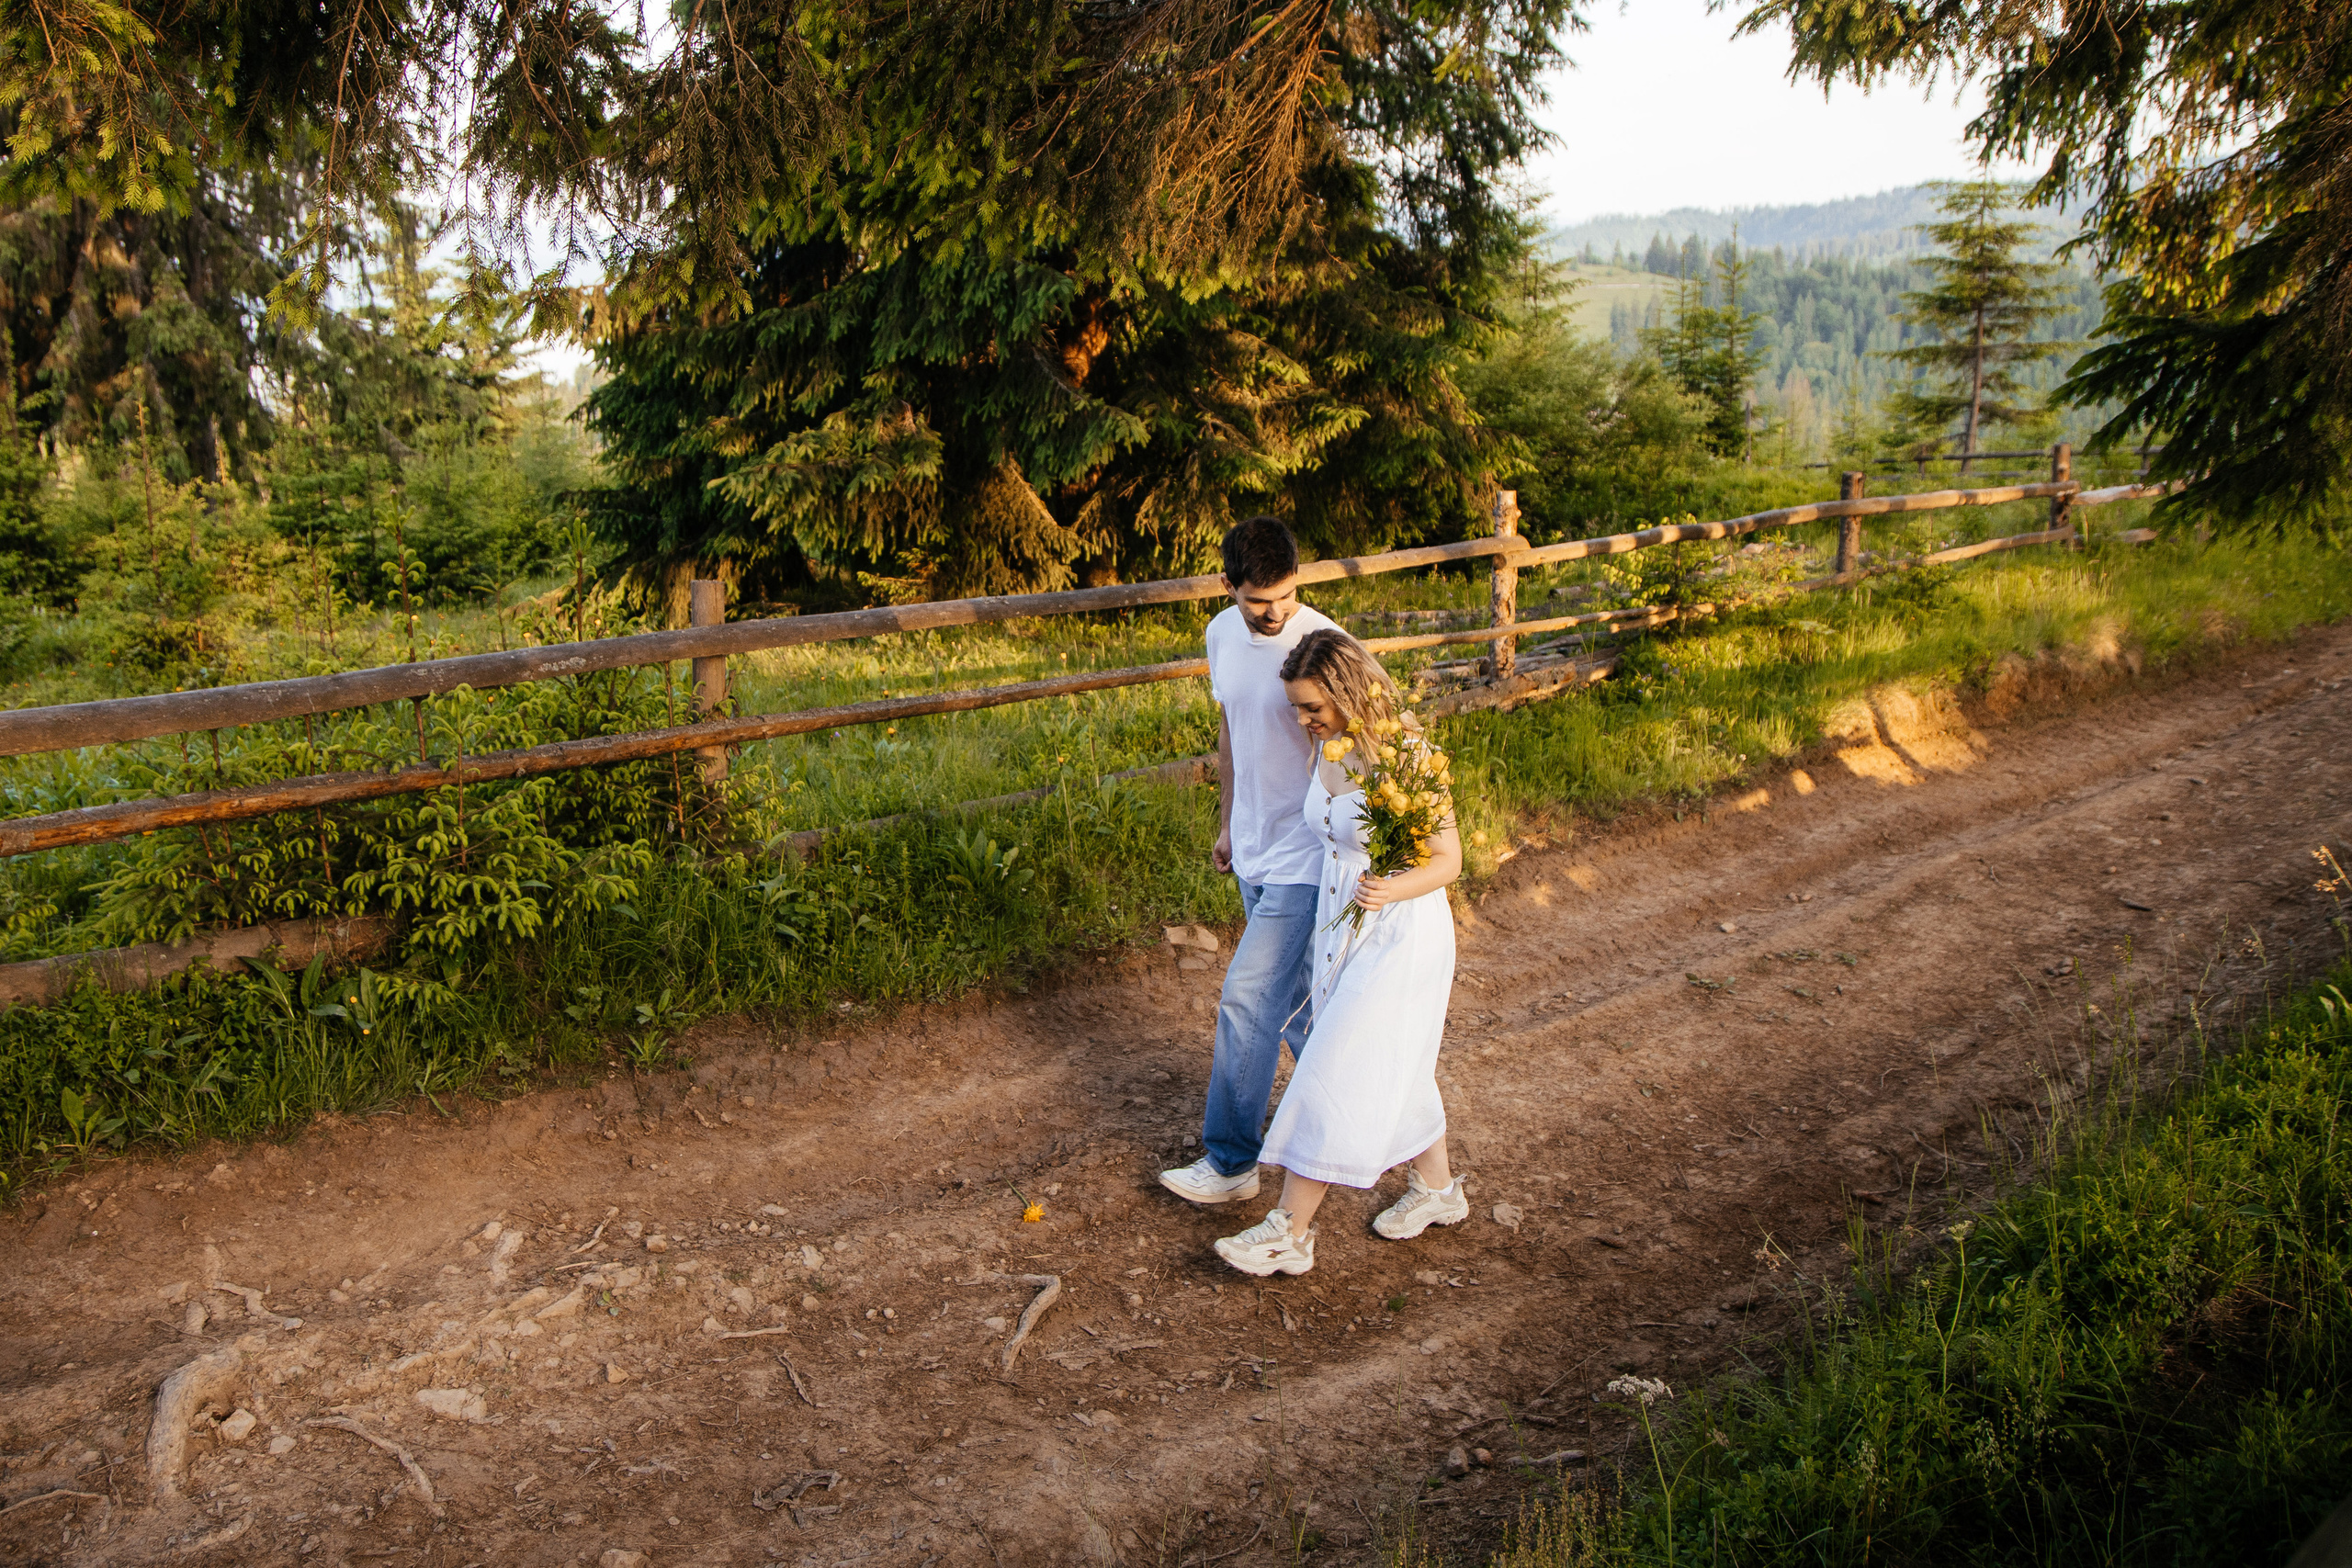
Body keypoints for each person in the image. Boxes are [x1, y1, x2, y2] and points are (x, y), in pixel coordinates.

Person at [1213, 627, 1468, 1277]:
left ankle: (1289, 1229)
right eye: (1298, 707)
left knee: (1334, 1064)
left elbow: (1448, 861)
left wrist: (1390, 887)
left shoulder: (1407, 755)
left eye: (1312, 707)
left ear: (1348, 693)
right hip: (1341, 927)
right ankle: (1438, 1190)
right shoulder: (1328, 746)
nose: (1301, 719)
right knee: (1392, 1061)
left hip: (1401, 932)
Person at [1159, 517, 1340, 1207]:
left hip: (1307, 853)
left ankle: (1232, 1160)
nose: (1276, 613)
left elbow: (1369, 738)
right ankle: (1387, 1131)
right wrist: (1229, 819)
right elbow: (1233, 728)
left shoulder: (1324, 642)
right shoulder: (1219, 634)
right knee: (1295, 1013)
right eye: (1260, 600)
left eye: (1287, 596)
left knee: (1247, 999)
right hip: (1254, 848)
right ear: (1228, 585)